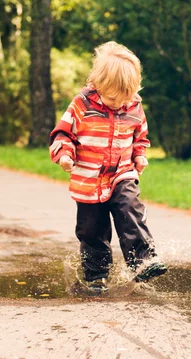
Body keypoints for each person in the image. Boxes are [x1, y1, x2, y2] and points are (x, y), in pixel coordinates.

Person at [49, 41, 167, 294]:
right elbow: (62, 134)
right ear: (97, 84)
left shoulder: (134, 106)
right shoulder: (81, 104)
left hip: (121, 173)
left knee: (130, 208)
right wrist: (65, 155)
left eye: (124, 97)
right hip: (88, 179)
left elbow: (140, 137)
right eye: (113, 97)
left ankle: (143, 260)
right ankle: (96, 275)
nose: (118, 103)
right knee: (92, 230)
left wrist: (139, 156)